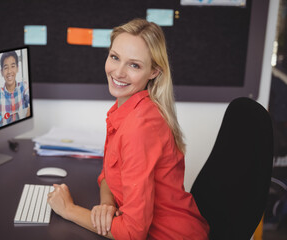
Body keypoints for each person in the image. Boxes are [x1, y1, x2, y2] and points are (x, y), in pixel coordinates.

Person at [47, 19, 210, 239]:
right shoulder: (125, 108)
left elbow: (132, 234)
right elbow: (108, 172)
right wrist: (107, 205)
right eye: (115, 57)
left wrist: (69, 210)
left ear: (154, 71)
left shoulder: (139, 127)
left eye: (134, 65)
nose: (118, 72)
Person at [0, 51, 30, 127]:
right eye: (6, 68)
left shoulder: (24, 87)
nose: (9, 71)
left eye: (13, 66)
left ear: (17, 68)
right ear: (1, 72)